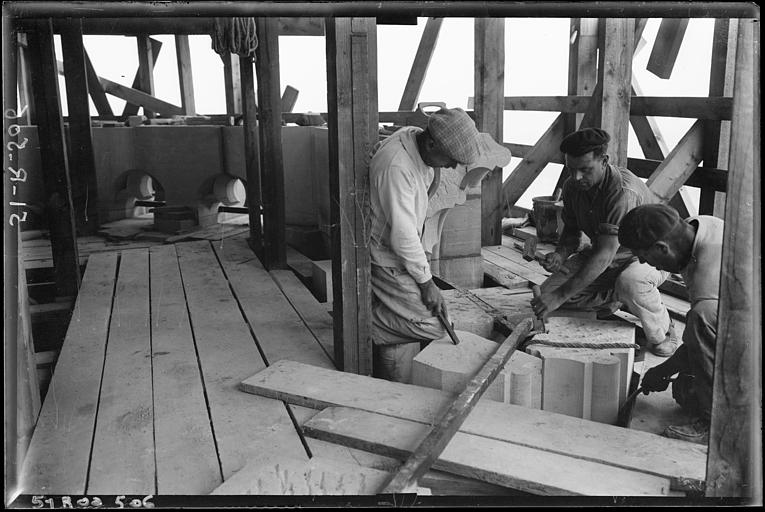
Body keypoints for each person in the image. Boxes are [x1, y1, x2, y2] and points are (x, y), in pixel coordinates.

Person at [368, 107, 511, 382]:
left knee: (436, 312)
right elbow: (403, 236)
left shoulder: (416, 141)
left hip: (403, 252)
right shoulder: (397, 166)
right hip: (388, 257)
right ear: (432, 143)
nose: (454, 167)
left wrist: (425, 277)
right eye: (451, 159)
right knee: (434, 326)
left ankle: (385, 314)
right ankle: (362, 321)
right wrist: (426, 283)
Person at [530, 127, 679, 357]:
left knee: (630, 281)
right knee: (548, 293)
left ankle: (663, 331)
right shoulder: (572, 186)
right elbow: (571, 232)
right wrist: (560, 254)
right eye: (571, 169)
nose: (577, 177)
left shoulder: (621, 192)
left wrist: (560, 297)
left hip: (649, 257)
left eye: (585, 170)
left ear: (604, 160)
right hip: (607, 255)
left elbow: (604, 255)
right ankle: (616, 297)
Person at [618, 203, 723, 444]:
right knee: (686, 390)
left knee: (701, 317)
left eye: (645, 257)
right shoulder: (699, 225)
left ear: (661, 247)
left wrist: (663, 369)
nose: (646, 265)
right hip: (736, 319)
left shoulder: (710, 280)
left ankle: (715, 425)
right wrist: (668, 369)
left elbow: (705, 333)